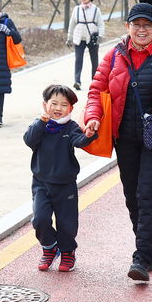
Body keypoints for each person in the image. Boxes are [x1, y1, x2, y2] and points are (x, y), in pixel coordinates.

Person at [84, 0, 152, 282]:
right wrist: (93, 117)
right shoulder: (114, 56)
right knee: (132, 197)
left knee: (146, 194)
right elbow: (96, 91)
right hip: (125, 138)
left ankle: (140, 258)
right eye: (137, 25)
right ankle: (150, 252)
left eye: (148, 25)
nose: (142, 30)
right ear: (128, 27)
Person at [23, 84, 97, 273]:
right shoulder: (39, 125)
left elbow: (79, 141)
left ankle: (67, 252)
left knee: (67, 222)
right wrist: (41, 121)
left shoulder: (71, 126)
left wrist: (88, 135)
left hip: (65, 185)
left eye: (64, 105)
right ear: (45, 104)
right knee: (40, 219)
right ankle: (49, 246)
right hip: (41, 183)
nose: (58, 108)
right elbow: (29, 140)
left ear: (71, 109)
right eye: (54, 103)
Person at [66, 0, 104, 90]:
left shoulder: (96, 10)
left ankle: (95, 81)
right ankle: (77, 81)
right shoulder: (76, 9)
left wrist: (100, 37)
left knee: (94, 60)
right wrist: (69, 38)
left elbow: (101, 24)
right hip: (79, 37)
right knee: (78, 60)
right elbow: (72, 24)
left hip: (92, 37)